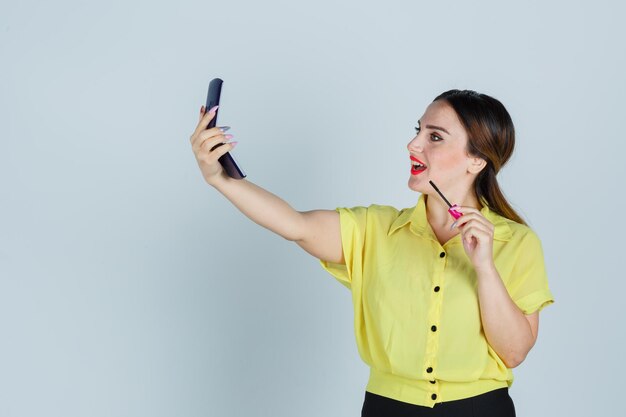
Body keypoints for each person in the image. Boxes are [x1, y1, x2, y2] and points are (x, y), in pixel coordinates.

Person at [189, 89, 554, 416]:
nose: (413, 145)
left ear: (477, 160)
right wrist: (219, 179)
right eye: (418, 131)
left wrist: (485, 268)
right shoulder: (375, 230)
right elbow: (294, 224)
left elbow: (513, 353)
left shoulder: (517, 243)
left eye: (435, 137)